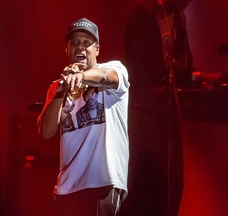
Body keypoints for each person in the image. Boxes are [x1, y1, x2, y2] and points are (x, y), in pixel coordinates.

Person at [37, 18, 130, 216]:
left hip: (102, 182)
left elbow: (106, 78)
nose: (80, 47)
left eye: (86, 43)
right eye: (75, 43)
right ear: (67, 50)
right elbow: (45, 132)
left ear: (97, 49)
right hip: (67, 188)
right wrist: (61, 90)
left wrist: (82, 76)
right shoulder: (57, 86)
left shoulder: (115, 68)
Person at [122, 0, 195, 215]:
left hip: (166, 113)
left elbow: (184, 65)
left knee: (172, 185)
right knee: (148, 187)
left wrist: (194, 76)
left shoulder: (176, 16)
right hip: (146, 116)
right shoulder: (144, 15)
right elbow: (149, 70)